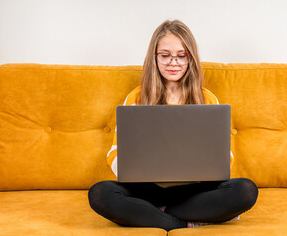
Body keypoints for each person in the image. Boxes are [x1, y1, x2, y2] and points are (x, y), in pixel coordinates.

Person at [88, 20, 258, 231]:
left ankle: (155, 215)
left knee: (245, 190)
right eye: (165, 55)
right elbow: (115, 153)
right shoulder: (137, 97)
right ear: (154, 58)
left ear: (190, 58)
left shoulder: (207, 98)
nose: (173, 62)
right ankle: (186, 221)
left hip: (195, 189)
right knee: (100, 194)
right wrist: (133, 169)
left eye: (181, 55)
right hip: (147, 189)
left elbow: (225, 157)